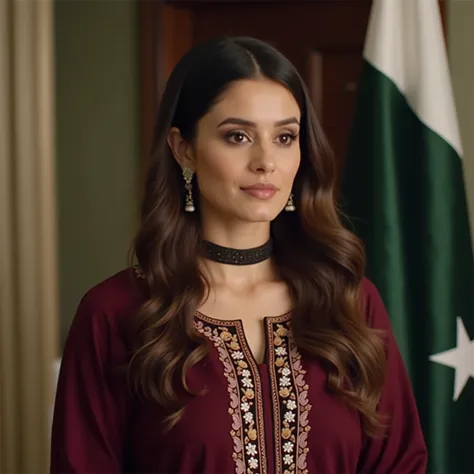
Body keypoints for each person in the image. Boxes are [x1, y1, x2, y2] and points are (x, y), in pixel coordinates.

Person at [50, 36, 427, 474]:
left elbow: (401, 463)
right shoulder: (116, 314)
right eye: (238, 136)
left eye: (285, 136)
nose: (266, 160)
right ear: (183, 147)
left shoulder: (349, 302)